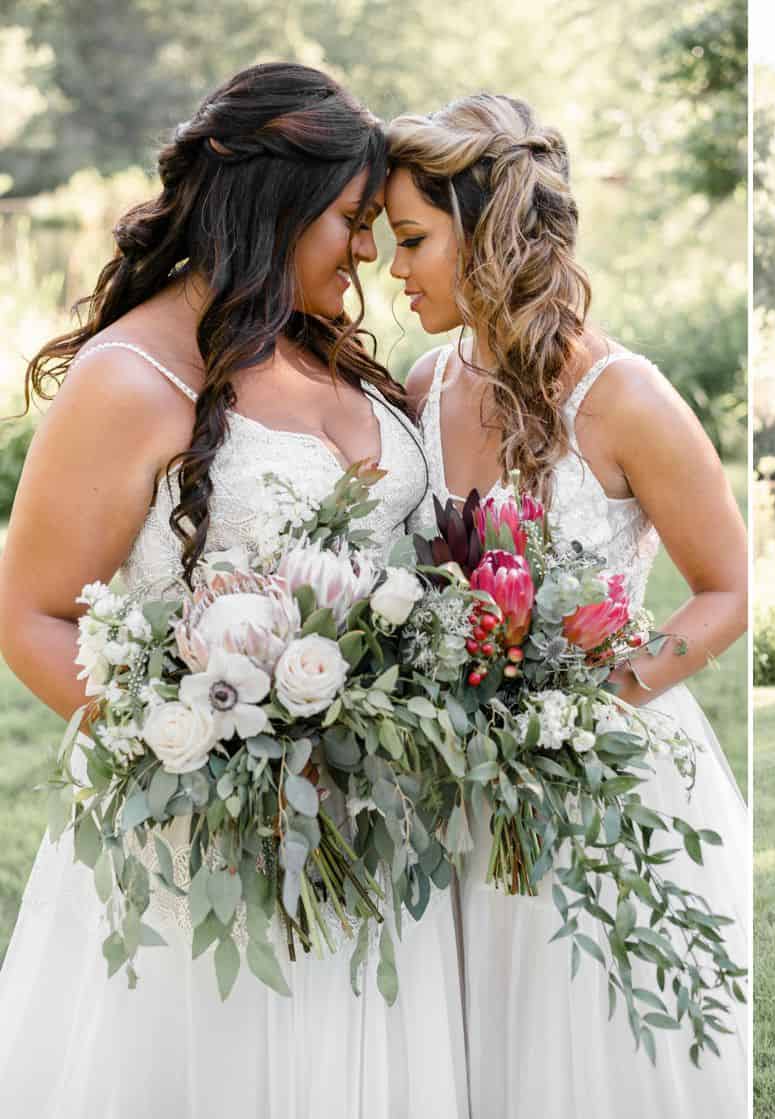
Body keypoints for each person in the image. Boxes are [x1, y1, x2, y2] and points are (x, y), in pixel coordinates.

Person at [0, 63, 467, 1117]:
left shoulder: (316, 343)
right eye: (350, 219)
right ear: (275, 203)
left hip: (383, 823)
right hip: (214, 844)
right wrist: (211, 765)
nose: (362, 249)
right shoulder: (132, 378)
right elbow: (28, 613)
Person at [384, 93, 750, 1114]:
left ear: (485, 232)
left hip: (601, 777)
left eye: (412, 239)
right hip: (454, 786)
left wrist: (592, 700)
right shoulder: (420, 384)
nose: (393, 269)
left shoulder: (624, 396)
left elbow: (730, 587)